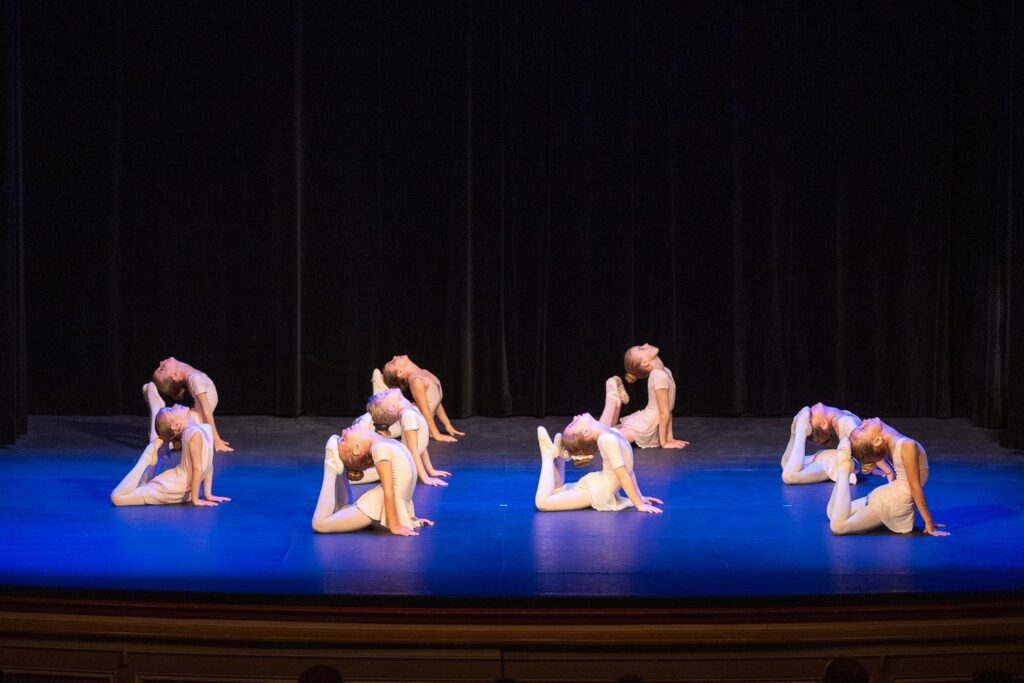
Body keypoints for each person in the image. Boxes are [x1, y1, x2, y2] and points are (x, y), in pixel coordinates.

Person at [826, 419, 948, 536]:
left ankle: (844, 468)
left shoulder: (893, 443)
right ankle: (843, 468)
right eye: (863, 428)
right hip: (893, 501)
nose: (864, 421)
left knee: (835, 516)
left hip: (895, 498)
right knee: (837, 523)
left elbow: (881, 458)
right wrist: (928, 522)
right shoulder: (905, 445)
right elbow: (915, 488)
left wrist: (927, 520)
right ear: (877, 441)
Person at [311, 424, 433, 535]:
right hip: (376, 503)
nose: (343, 431)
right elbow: (389, 489)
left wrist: (408, 517)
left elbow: (402, 488)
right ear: (356, 449)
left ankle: (337, 466)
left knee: (342, 510)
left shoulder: (385, 445)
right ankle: (331, 466)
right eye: (343, 440)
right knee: (320, 524)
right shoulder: (380, 448)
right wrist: (394, 526)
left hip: (379, 502)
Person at [534, 414, 662, 513]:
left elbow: (629, 470)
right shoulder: (607, 439)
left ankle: (559, 459)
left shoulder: (612, 433)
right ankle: (548, 455)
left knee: (557, 491)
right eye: (573, 424)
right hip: (596, 491)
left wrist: (640, 498)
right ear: (585, 432)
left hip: (599, 487)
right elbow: (623, 475)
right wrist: (639, 505)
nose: (576, 417)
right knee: (542, 503)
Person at [111, 404, 230, 507]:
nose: (175, 405)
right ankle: (146, 458)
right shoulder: (194, 433)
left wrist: (207, 494)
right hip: (175, 486)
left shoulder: (205, 428)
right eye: (170, 410)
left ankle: (150, 466)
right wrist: (196, 499)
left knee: (139, 489)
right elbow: (197, 468)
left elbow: (208, 464)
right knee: (118, 498)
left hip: (185, 490)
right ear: (175, 426)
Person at [781, 403, 894, 485]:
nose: (809, 411)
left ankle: (799, 431)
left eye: (809, 415)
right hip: (834, 457)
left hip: (836, 461)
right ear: (824, 424)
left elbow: (867, 445)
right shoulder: (844, 420)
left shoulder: (844, 420)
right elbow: (867, 446)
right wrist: (885, 470)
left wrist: (887, 470)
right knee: (788, 465)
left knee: (789, 475)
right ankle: (798, 432)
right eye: (810, 416)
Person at [142, 357, 232, 452]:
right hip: (194, 422)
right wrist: (216, 439)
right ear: (175, 375)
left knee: (166, 441)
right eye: (162, 368)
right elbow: (206, 409)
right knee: (159, 445)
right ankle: (156, 408)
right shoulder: (195, 379)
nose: (161, 362)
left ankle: (156, 408)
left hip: (194, 419)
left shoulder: (191, 377)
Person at [368, 388, 451, 486]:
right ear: (393, 406)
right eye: (384, 394)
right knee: (362, 476)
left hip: (402, 462)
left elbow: (421, 445)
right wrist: (426, 479)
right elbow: (413, 450)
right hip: (398, 464)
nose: (386, 389)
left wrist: (431, 470)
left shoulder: (412, 410)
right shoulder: (408, 415)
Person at [615, 343, 688, 449]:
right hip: (645, 425)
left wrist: (670, 438)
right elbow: (664, 412)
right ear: (645, 362)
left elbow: (668, 410)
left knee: (609, 433)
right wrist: (664, 443)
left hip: (651, 422)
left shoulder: (665, 371)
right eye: (641, 348)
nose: (646, 344)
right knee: (608, 439)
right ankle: (612, 392)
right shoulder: (659, 376)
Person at [378, 355, 463, 442]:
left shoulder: (424, 372)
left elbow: (436, 401)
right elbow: (425, 411)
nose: (394, 357)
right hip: (406, 424)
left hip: (417, 424)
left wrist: (447, 425)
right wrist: (437, 435)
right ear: (400, 372)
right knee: (376, 434)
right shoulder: (416, 381)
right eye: (392, 362)